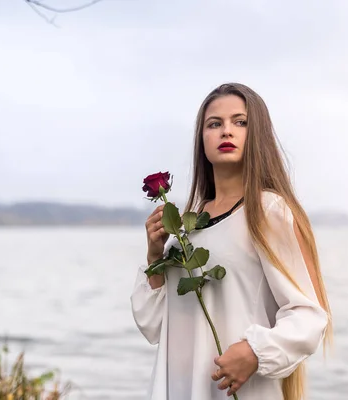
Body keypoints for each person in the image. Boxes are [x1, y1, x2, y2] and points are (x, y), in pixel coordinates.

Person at [131, 83, 332, 400]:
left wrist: (255, 352)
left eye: (240, 122)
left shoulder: (268, 211)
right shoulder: (187, 226)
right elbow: (155, 326)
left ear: (258, 135)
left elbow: (309, 315)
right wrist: (155, 254)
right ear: (202, 139)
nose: (227, 131)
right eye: (215, 124)